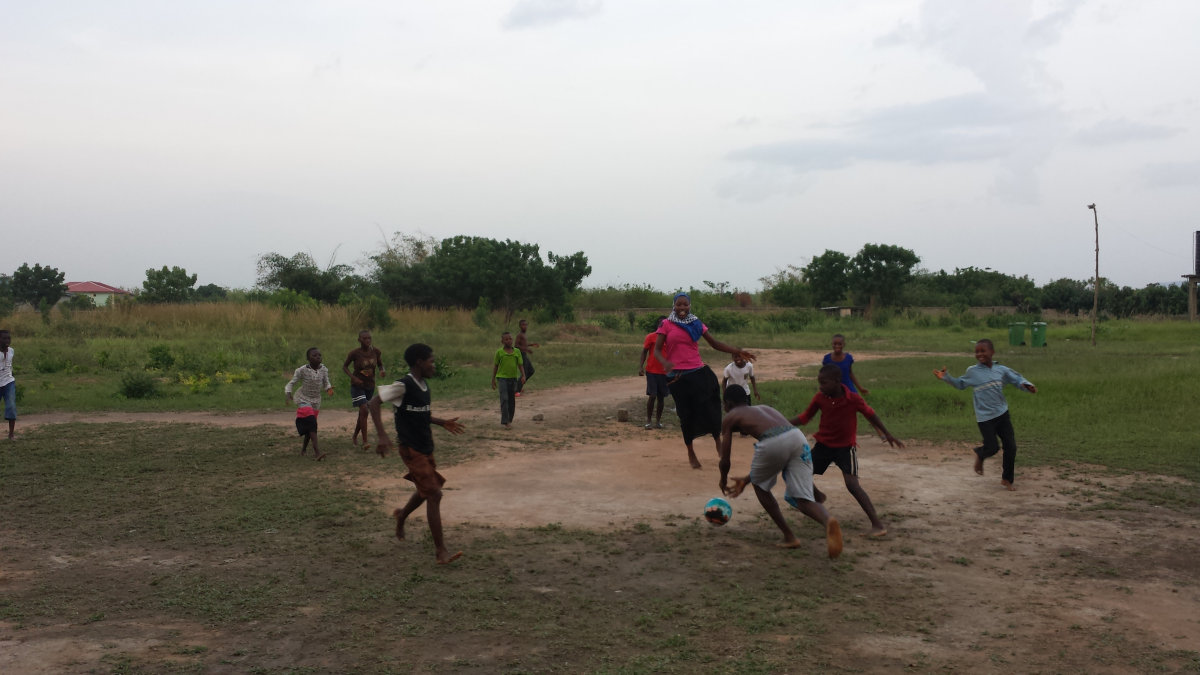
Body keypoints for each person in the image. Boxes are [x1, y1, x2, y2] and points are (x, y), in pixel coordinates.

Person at [368, 343, 466, 565]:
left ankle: (402, 515)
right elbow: (373, 403)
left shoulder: (423, 386)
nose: (434, 365)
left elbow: (422, 415)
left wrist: (442, 422)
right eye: (431, 361)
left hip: (425, 446)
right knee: (434, 494)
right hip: (410, 449)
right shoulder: (403, 385)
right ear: (419, 362)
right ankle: (441, 551)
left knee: (426, 490)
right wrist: (382, 436)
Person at [719, 387, 843, 558]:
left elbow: (725, 459)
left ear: (728, 403)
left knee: (760, 487)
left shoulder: (731, 416)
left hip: (773, 440)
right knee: (803, 499)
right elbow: (781, 452)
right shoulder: (765, 408)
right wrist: (746, 479)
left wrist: (723, 479)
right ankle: (828, 520)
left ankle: (790, 536)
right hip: (796, 436)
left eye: (724, 404)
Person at [791, 364, 904, 537]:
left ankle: (877, 524)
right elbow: (805, 417)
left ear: (837, 382)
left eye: (824, 383)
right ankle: (818, 497)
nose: (821, 387)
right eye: (819, 383)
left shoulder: (853, 399)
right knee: (802, 472)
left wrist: (887, 433)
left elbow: (870, 414)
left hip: (845, 448)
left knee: (852, 485)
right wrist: (781, 422)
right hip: (823, 446)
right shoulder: (820, 398)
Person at [653, 292, 756, 469]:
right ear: (673, 305)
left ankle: (717, 440)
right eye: (679, 305)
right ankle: (690, 451)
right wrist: (665, 362)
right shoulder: (666, 324)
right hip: (677, 377)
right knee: (686, 415)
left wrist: (737, 351)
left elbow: (714, 343)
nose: (682, 308)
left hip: (697, 371)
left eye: (685, 305)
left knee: (710, 407)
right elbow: (656, 350)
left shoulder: (696, 323)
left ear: (689, 305)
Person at [935, 338, 1037, 491]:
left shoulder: (1001, 370)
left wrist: (1027, 386)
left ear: (992, 352)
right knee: (992, 447)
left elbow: (1016, 379)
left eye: (983, 351)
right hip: (985, 418)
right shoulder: (973, 372)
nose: (979, 354)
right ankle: (980, 454)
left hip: (1002, 414)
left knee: (1011, 446)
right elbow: (960, 384)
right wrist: (946, 377)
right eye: (977, 352)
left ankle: (1007, 479)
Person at [285, 347, 334, 461]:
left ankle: (303, 449)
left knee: (310, 426)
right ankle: (317, 453)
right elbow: (291, 383)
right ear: (308, 358)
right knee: (311, 422)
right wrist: (288, 393)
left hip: (316, 400)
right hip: (303, 398)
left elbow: (326, 383)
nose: (318, 357)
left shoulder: (324, 370)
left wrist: (329, 389)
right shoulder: (302, 370)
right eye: (314, 355)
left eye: (319, 355)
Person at [342, 329, 386, 449]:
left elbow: (380, 364)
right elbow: (344, 367)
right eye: (365, 338)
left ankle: (355, 436)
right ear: (359, 340)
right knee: (365, 410)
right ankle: (365, 442)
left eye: (369, 338)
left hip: (370, 386)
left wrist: (382, 370)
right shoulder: (354, 353)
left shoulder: (376, 351)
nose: (367, 340)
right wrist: (353, 377)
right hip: (358, 386)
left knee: (363, 412)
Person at [637, 315, 670, 430]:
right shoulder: (650, 337)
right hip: (651, 370)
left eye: (665, 323)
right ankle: (648, 421)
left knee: (661, 398)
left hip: (664, 372)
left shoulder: (670, 338)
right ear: (658, 325)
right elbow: (644, 352)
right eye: (661, 323)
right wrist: (641, 366)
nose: (663, 325)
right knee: (652, 395)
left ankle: (658, 422)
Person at [491, 331, 525, 429]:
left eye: (510, 338)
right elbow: (496, 366)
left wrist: (523, 375)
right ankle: (505, 422)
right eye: (506, 339)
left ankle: (509, 419)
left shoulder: (517, 352)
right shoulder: (499, 352)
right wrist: (493, 379)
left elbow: (520, 365)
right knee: (504, 399)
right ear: (502, 341)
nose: (509, 341)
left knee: (511, 400)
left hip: (513, 379)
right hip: (502, 379)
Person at [513, 319, 540, 396]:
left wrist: (531, 345)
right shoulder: (519, 335)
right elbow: (516, 346)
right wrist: (526, 349)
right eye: (523, 325)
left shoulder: (524, 334)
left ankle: (518, 386)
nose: (525, 326)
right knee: (524, 373)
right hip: (521, 355)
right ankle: (516, 390)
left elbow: (523, 344)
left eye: (526, 325)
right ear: (520, 326)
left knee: (531, 371)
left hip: (524, 354)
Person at [0, 329, 15, 441]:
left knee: (11, 406)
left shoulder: (11, 351)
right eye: (4, 338)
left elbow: (9, 366)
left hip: (9, 382)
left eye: (8, 338)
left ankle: (11, 435)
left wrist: (10, 376)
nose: (7, 340)